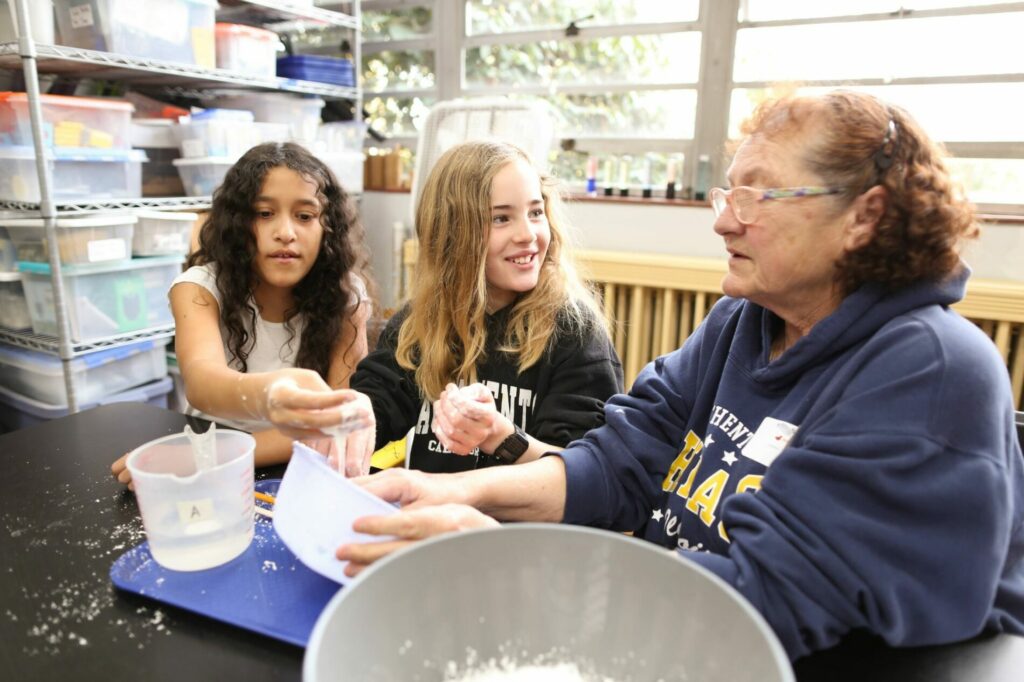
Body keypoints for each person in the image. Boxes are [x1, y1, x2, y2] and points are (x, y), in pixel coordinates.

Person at [334, 91, 1024, 660]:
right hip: (664, 635)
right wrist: (438, 488)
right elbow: (616, 466)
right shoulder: (741, 322)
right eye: (729, 191)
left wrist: (500, 559)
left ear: (862, 217)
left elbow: (773, 599)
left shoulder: (927, 373)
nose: (722, 219)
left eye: (755, 197)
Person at [341, 140, 623, 474]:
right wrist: (355, 415)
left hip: (521, 525)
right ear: (452, 233)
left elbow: (587, 471)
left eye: (536, 212)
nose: (528, 234)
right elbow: (378, 401)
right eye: (501, 218)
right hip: (432, 518)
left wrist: (503, 437)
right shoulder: (417, 322)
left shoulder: (574, 332)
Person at [112, 142, 374, 488]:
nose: (285, 232)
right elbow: (203, 385)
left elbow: (333, 429)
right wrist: (273, 395)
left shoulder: (347, 296)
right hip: (208, 456)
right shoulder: (199, 288)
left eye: (305, 216)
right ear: (237, 223)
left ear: (328, 229)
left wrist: (204, 458)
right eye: (264, 213)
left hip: (273, 468)